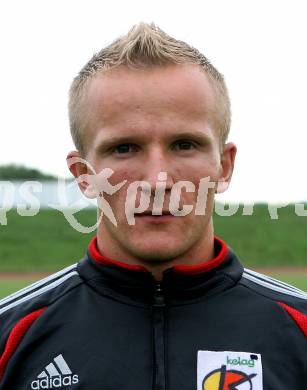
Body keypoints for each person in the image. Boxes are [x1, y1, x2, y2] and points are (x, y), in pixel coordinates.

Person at [0, 23, 307, 390]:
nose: (158, 180)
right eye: (124, 148)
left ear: (224, 167)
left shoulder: (298, 329)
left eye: (185, 145)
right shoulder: (11, 336)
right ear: (84, 175)